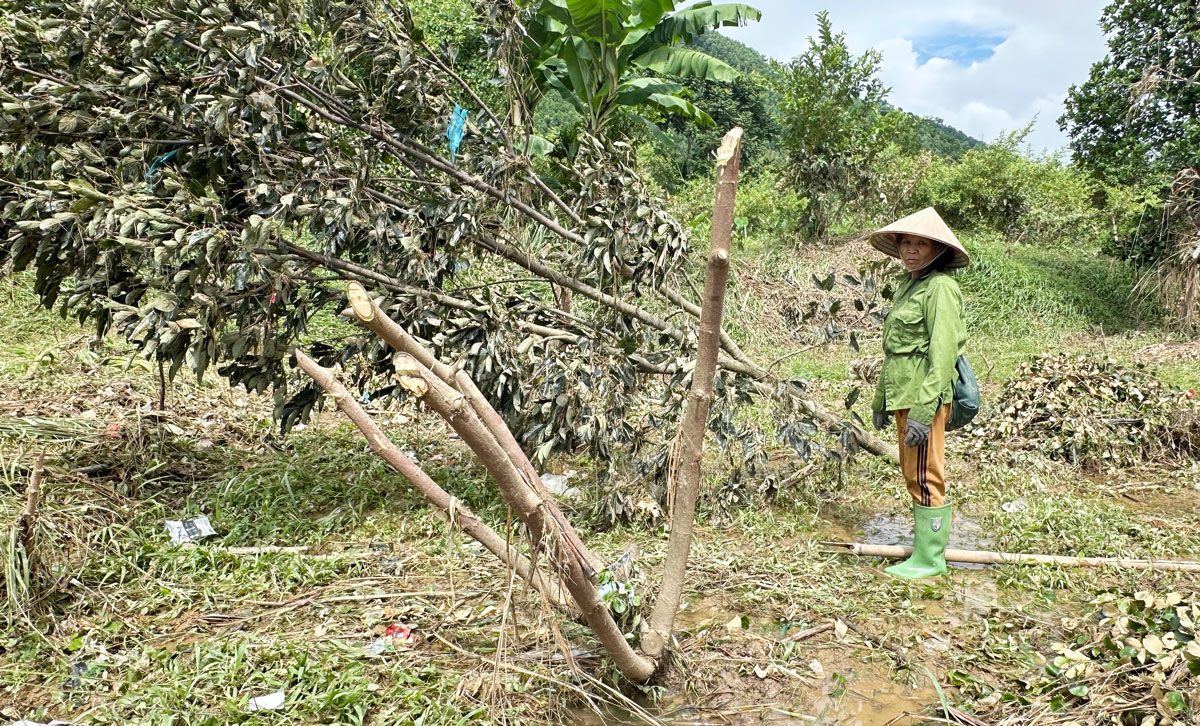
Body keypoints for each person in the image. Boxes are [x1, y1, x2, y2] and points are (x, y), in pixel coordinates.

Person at [868, 207, 969, 579]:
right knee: (914, 474)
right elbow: (895, 349)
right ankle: (924, 553)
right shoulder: (909, 285)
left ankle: (929, 560)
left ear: (937, 250)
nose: (911, 249)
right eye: (907, 242)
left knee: (926, 476)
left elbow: (943, 355)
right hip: (903, 394)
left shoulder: (941, 288)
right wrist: (880, 400)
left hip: (923, 397)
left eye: (921, 243)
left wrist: (924, 414)